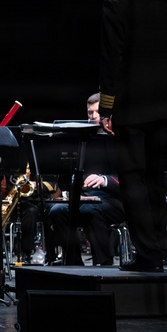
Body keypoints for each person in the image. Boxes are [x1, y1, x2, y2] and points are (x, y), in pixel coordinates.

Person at [98, 0, 167, 272]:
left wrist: (107, 109)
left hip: (130, 108)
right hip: (161, 105)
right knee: (155, 179)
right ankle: (160, 249)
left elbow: (111, 63)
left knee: (133, 180)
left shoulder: (115, 4)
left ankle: (148, 253)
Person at [45, 93, 124, 266]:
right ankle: (73, 264)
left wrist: (104, 180)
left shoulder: (119, 139)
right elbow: (67, 179)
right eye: (90, 112)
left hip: (114, 198)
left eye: (97, 112)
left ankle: (103, 263)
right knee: (57, 210)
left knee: (90, 210)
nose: (93, 116)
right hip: (83, 198)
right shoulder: (81, 141)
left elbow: (127, 179)